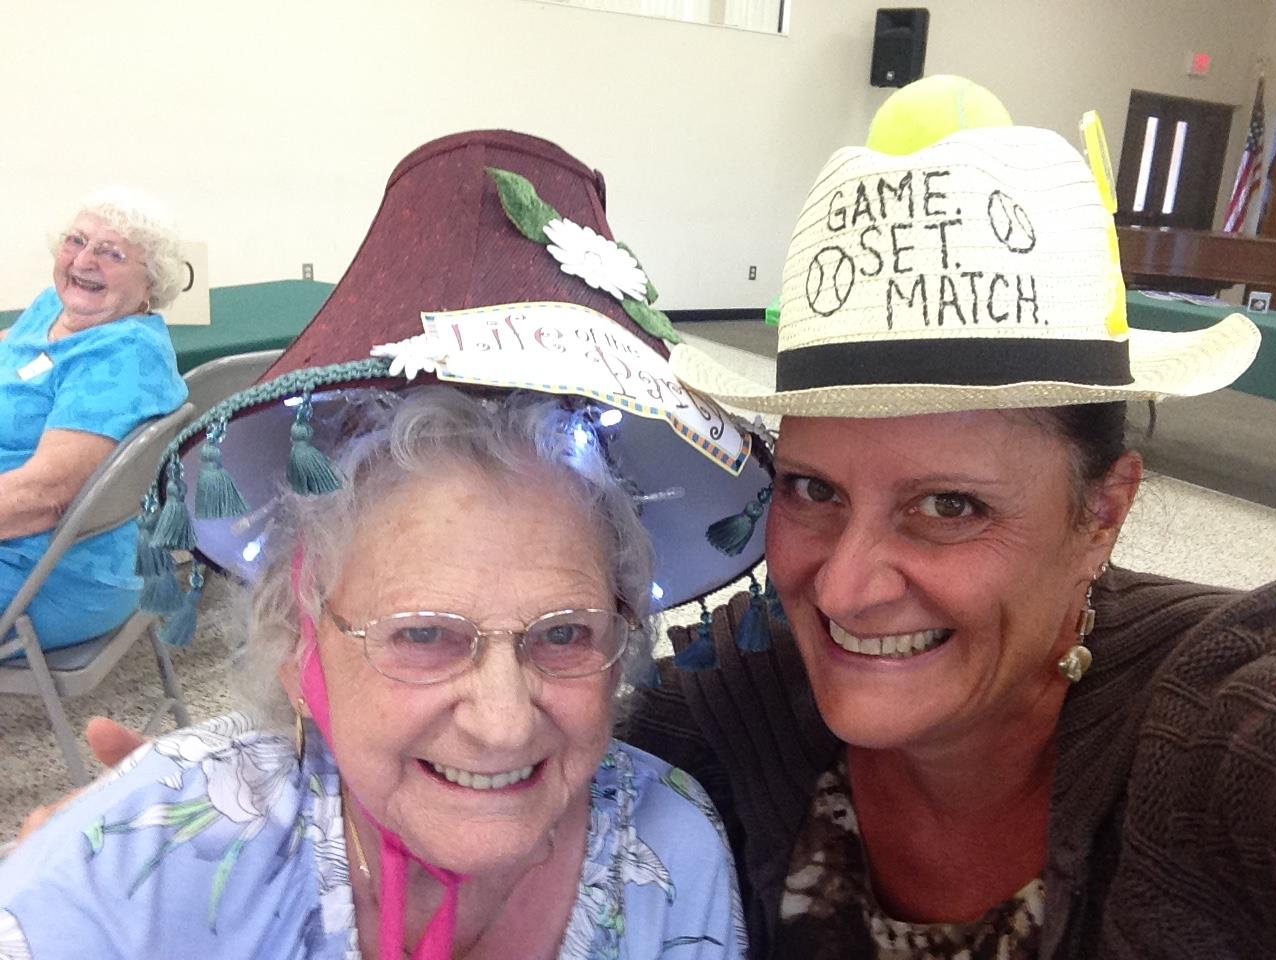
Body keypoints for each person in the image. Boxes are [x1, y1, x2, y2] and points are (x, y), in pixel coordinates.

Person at [0, 131, 766, 959]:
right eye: (425, 634)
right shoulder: (157, 843)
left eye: (565, 633)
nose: (504, 724)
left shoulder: (672, 848)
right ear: (300, 647)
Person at [622, 77, 1276, 959]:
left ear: (1103, 515)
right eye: (814, 490)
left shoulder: (1217, 729)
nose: (845, 589)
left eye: (948, 506)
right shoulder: (743, 690)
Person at [1, 187, 187, 651]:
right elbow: (14, 352)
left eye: (112, 253)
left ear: (150, 283)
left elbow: (44, 496)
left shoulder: (121, 357)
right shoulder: (56, 307)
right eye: (77, 241)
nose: (84, 261)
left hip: (52, 572)